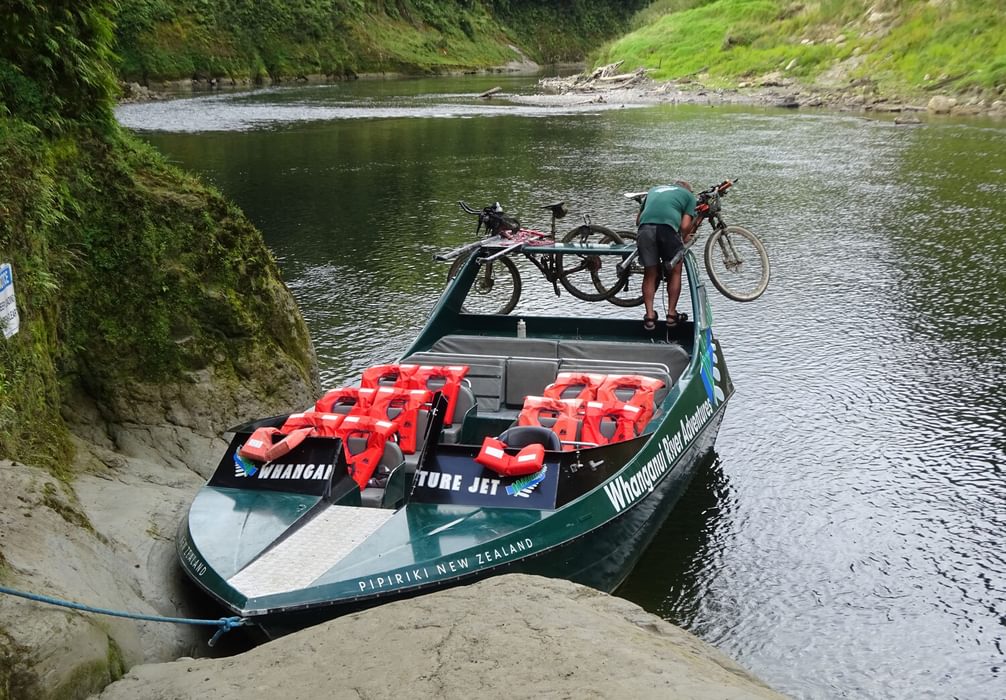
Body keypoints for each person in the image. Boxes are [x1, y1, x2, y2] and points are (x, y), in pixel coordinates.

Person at [635, 180, 697, 330]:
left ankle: (649, 317)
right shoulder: (689, 196)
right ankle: (671, 315)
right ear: (688, 190)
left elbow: (638, 220)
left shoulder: (653, 189)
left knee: (650, 274)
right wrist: (686, 233)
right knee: (675, 270)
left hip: (644, 230)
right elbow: (684, 226)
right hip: (667, 230)